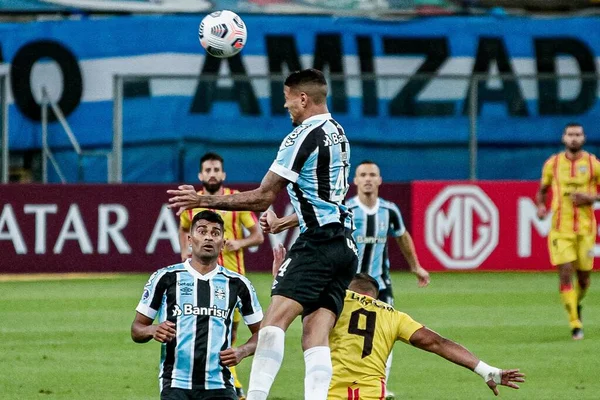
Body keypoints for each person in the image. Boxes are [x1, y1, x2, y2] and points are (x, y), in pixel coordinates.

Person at [168, 68, 358, 400]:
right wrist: (285, 223)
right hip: (345, 246)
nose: (286, 108)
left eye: (287, 101)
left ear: (302, 98)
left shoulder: (302, 136)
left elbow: (263, 196)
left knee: (272, 323)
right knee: (315, 334)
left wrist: (201, 199)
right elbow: (326, 200)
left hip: (318, 243)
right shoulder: (338, 132)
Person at [263, 159, 430, 399]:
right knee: (334, 333)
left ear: (380, 180)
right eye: (363, 174)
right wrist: (281, 224)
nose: (368, 179)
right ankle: (332, 383)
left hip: (380, 285)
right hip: (344, 285)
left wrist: (416, 267)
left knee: (385, 333)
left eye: (373, 174)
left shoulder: (390, 210)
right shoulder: (345, 208)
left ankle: (380, 383)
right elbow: (310, 217)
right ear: (356, 180)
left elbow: (402, 236)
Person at [268, 245, 525, 400]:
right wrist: (484, 369)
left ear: (350, 287)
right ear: (375, 295)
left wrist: (281, 277)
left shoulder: (335, 299)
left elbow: (288, 308)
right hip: (371, 394)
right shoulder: (392, 315)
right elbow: (438, 343)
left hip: (328, 393)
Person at [131, 210, 263, 400]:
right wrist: (153, 330)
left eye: (216, 233)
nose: (209, 237)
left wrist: (243, 350)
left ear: (223, 243)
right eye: (202, 231)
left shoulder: (238, 284)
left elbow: (264, 333)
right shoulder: (165, 278)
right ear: (190, 240)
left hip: (221, 385)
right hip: (175, 383)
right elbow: (137, 329)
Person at [178, 152, 264, 399]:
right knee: (205, 332)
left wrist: (240, 243)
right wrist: (184, 251)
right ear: (200, 175)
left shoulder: (235, 201)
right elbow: (184, 228)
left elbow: (257, 235)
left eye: (216, 169)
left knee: (229, 334)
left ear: (223, 174)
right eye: (208, 170)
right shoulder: (192, 203)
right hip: (198, 279)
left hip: (231, 281)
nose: (212, 173)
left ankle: (230, 383)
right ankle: (223, 385)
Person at [536, 122, 599, 340]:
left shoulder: (593, 164)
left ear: (583, 138)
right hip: (560, 230)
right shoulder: (552, 164)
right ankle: (575, 324)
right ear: (564, 138)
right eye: (570, 134)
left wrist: (591, 198)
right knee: (565, 272)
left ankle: (576, 305)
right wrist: (541, 206)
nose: (574, 138)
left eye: (578, 135)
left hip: (586, 230)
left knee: (584, 279)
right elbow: (542, 191)